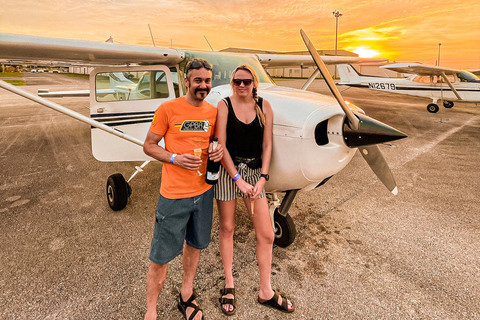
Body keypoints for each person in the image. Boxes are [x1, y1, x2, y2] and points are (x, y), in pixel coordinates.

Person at [143, 58, 223, 320]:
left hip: (203, 193)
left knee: (195, 245)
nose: (203, 85)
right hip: (174, 195)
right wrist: (174, 158)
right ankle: (151, 311)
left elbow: (216, 145)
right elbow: (149, 145)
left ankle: (186, 294)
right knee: (161, 256)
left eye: (207, 81)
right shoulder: (167, 109)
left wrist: (219, 149)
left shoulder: (212, 113)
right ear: (186, 81)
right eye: (198, 80)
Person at [215, 64, 294, 315]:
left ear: (254, 83)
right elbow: (222, 146)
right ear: (232, 83)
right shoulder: (224, 105)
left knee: (267, 235)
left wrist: (262, 178)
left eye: (246, 82)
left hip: (255, 173)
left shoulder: (264, 106)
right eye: (237, 81)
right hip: (230, 172)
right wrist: (238, 179)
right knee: (227, 228)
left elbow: (267, 144)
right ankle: (229, 283)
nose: (241, 85)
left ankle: (265, 291)